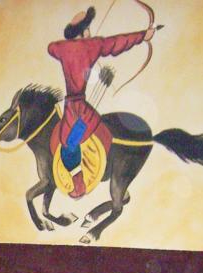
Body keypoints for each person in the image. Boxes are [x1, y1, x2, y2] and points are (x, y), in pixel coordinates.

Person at [48, 6, 158, 196]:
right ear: (82, 31)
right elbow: (117, 42)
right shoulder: (93, 45)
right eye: (87, 29)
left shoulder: (61, 48)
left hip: (73, 108)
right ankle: (79, 183)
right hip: (79, 111)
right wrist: (143, 36)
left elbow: (51, 48)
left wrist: (76, 44)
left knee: (69, 144)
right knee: (69, 145)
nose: (90, 32)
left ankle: (79, 182)